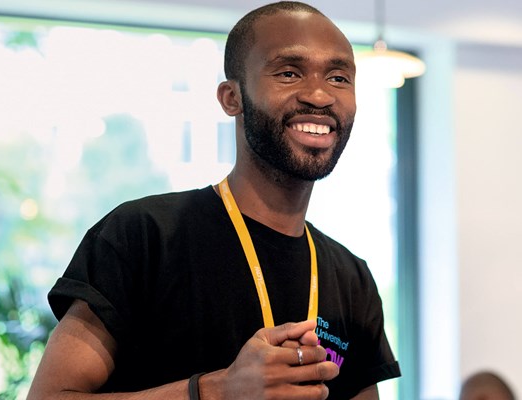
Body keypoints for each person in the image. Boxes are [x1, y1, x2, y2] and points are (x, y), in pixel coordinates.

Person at [27, 1, 401, 399]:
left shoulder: (351, 277)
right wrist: (215, 390)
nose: (319, 94)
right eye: (289, 73)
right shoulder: (144, 236)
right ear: (231, 98)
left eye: (339, 77)